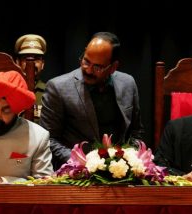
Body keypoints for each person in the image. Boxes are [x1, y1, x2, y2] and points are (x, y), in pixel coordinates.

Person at [40, 32, 144, 169]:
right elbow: (48, 140)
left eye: (97, 67)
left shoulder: (128, 83)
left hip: (120, 171)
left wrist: (128, 158)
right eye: (86, 61)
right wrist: (82, 162)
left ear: (113, 67)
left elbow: (136, 131)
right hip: (75, 173)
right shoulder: (58, 87)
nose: (88, 70)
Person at [14, 34, 47, 122]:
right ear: (17, 62)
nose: (31, 62)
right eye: (26, 58)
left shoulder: (49, 93)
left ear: (42, 64)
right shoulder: (10, 90)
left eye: (36, 59)